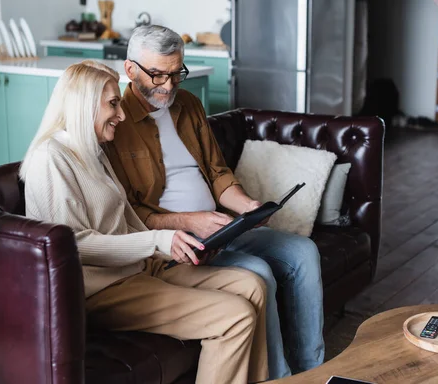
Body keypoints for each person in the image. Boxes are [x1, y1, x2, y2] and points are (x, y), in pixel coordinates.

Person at [19, 60, 269, 384]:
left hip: (137, 270)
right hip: (100, 291)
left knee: (253, 286)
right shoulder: (50, 158)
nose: (121, 115)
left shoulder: (92, 151)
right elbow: (74, 245)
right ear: (83, 106)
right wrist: (158, 241)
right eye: (112, 104)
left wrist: (176, 248)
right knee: (235, 317)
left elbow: (127, 223)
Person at [106, 25, 325, 376]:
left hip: (222, 225)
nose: (168, 85)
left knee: (303, 252)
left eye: (177, 73)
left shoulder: (189, 105)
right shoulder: (115, 123)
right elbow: (131, 214)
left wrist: (246, 207)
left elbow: (218, 173)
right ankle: (280, 378)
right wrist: (191, 222)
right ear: (130, 70)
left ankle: (313, 370)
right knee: (259, 273)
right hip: (178, 244)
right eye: (158, 74)